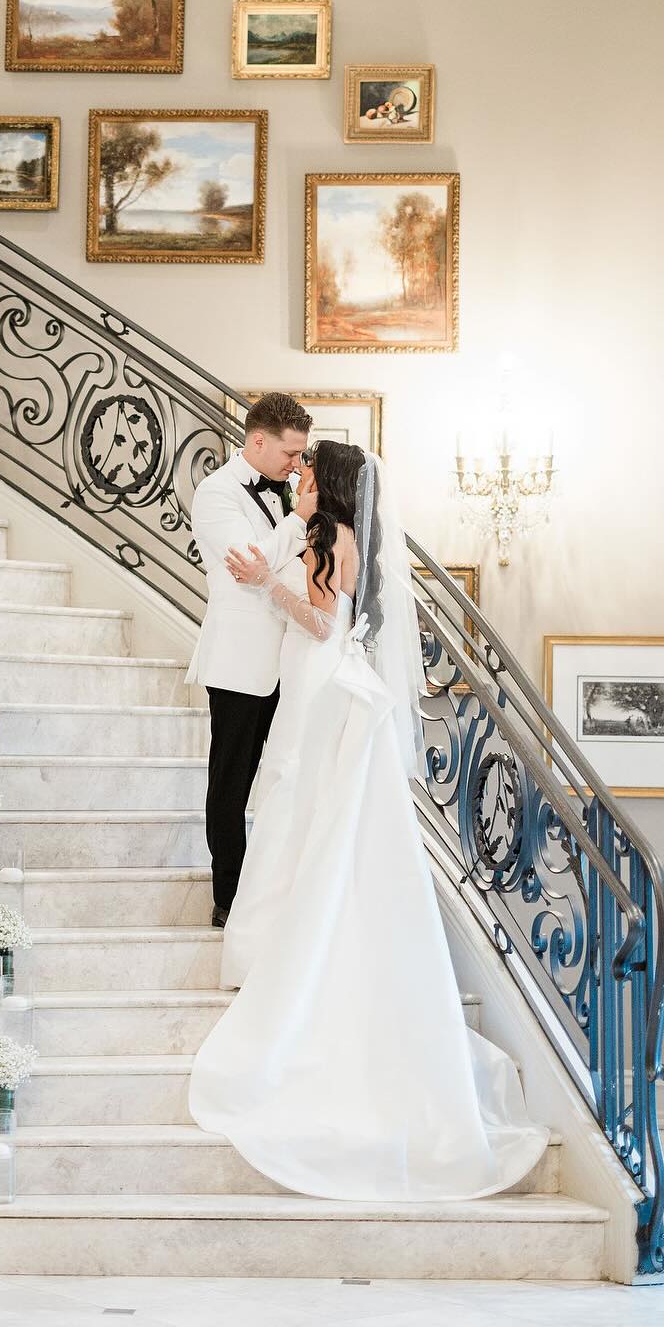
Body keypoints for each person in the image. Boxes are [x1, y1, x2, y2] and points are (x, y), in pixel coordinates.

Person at [188, 440, 548, 1200]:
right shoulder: (336, 536)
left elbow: (323, 622)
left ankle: (276, 942)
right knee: (292, 799)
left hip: (318, 675)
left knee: (292, 799)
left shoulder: (329, 540)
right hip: (314, 677)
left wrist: (264, 584)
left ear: (334, 488)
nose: (299, 485)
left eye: (309, 478)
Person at [186, 392, 313, 929]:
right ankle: (228, 898)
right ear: (257, 440)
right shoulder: (216, 494)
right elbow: (251, 563)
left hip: (290, 657)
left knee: (283, 778)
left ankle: (271, 889)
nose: (295, 465)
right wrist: (301, 519)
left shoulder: (281, 493)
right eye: (290, 453)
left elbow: (278, 571)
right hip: (239, 662)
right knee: (231, 784)